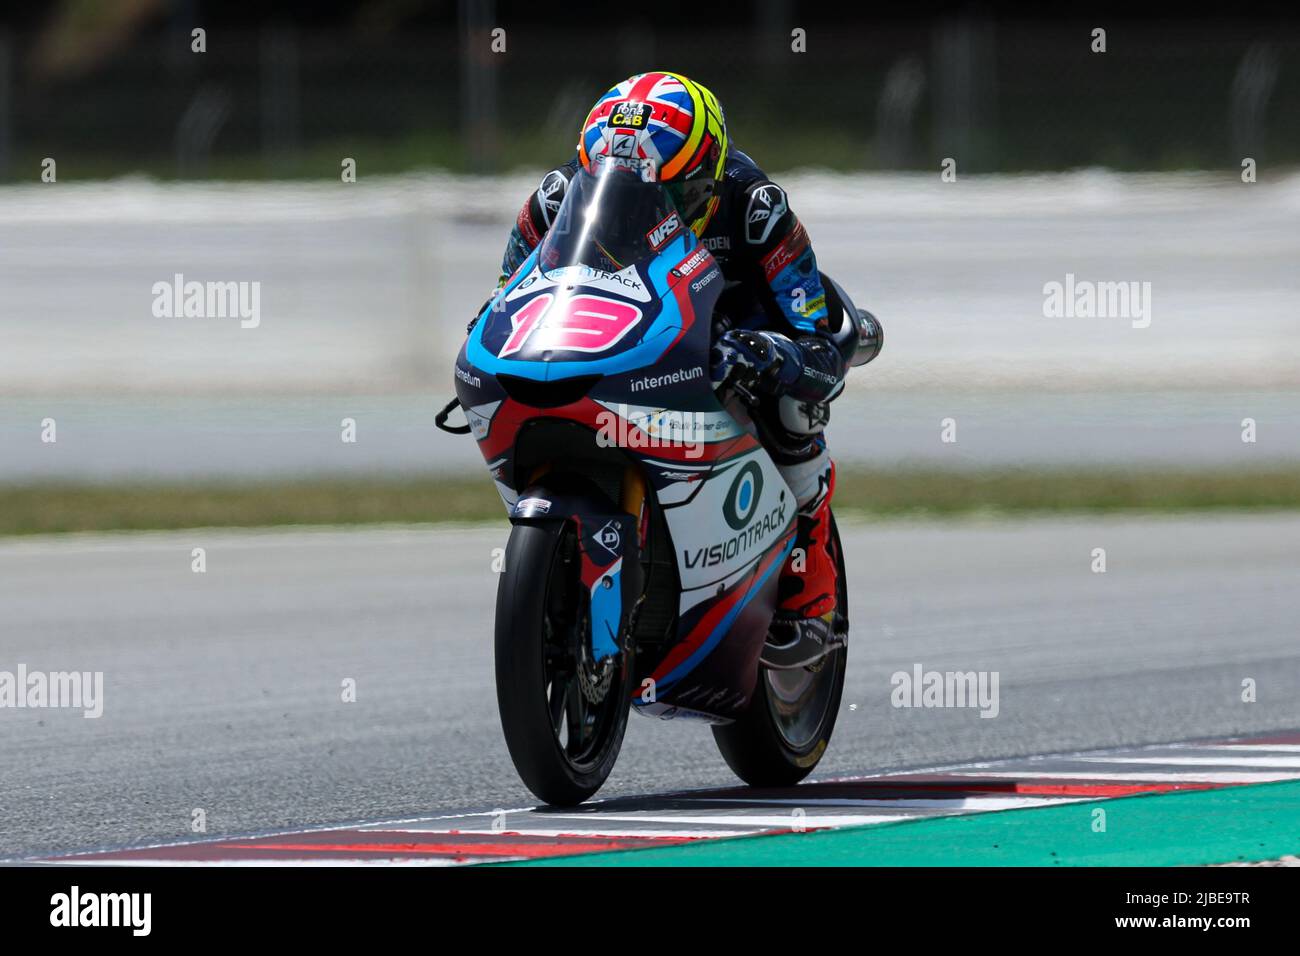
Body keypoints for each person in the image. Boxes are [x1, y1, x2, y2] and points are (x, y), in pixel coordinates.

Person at [488, 71, 881, 643]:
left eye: (675, 194)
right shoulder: (554, 198)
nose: (654, 208)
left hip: (735, 325)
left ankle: (809, 593)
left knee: (793, 411)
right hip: (625, 326)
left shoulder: (756, 206)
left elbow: (815, 338)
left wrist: (766, 352)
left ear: (711, 177)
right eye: (621, 188)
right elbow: (511, 290)